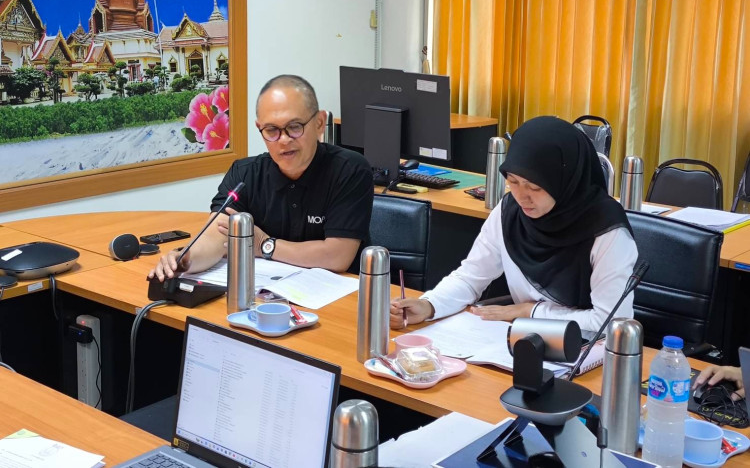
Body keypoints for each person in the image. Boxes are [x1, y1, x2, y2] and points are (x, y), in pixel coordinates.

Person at [390, 116, 638, 332]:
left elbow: (611, 322)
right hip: (521, 340)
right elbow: (470, 277)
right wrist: (429, 305)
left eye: (535, 187)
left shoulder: (607, 230)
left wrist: (529, 311)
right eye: (513, 181)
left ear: (566, 182)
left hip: (586, 352)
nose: (521, 197)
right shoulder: (510, 211)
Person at [149, 74, 374, 281]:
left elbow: (337, 256)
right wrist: (186, 259)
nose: (284, 139)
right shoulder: (244, 174)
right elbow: (215, 237)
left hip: (337, 295)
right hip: (267, 293)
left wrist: (265, 245)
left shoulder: (349, 170)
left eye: (294, 127)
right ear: (260, 128)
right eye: (271, 130)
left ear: (319, 123)